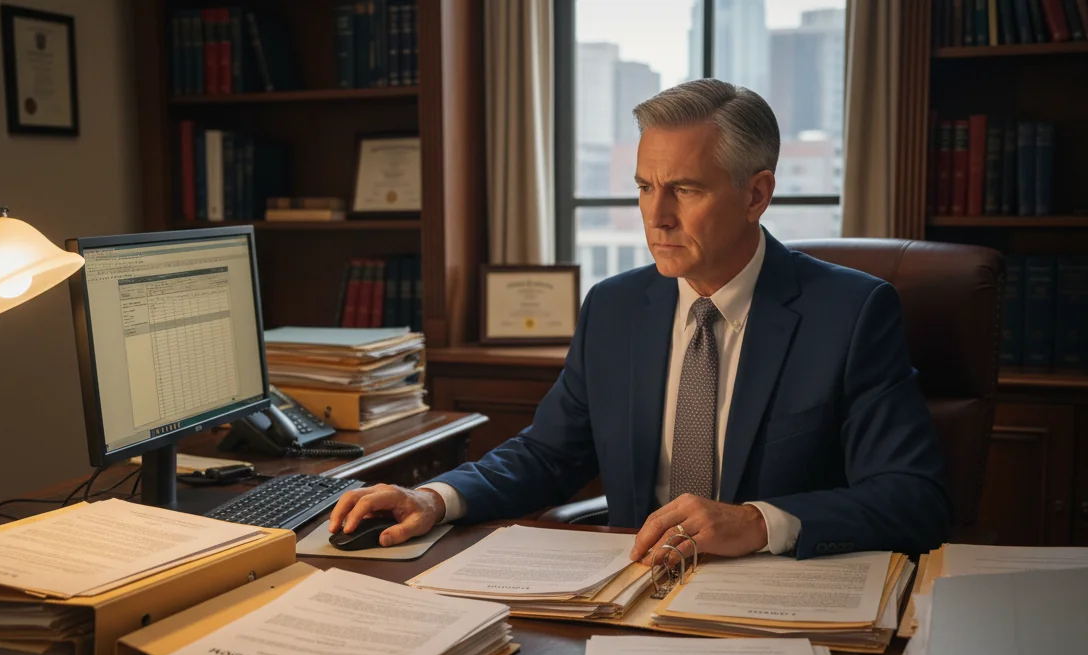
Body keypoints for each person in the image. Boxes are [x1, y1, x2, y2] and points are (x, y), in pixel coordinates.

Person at [330, 78, 950, 562]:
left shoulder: (850, 313)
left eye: (686, 189)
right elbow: (546, 456)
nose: (656, 217)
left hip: (777, 590)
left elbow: (913, 497)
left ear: (757, 194)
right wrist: (433, 497)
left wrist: (758, 522)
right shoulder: (615, 307)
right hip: (632, 585)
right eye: (645, 186)